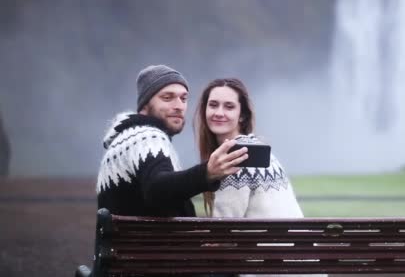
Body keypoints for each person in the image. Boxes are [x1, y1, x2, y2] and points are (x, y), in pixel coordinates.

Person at [96, 65, 248, 217]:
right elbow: (156, 188)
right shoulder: (146, 137)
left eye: (183, 98)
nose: (179, 106)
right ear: (144, 105)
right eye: (167, 98)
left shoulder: (128, 139)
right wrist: (206, 172)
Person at [194, 78, 303, 218]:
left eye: (229, 106)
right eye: (213, 105)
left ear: (242, 116)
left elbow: (222, 231)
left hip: (266, 240)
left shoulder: (236, 158)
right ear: (205, 110)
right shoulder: (257, 151)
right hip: (293, 239)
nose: (219, 113)